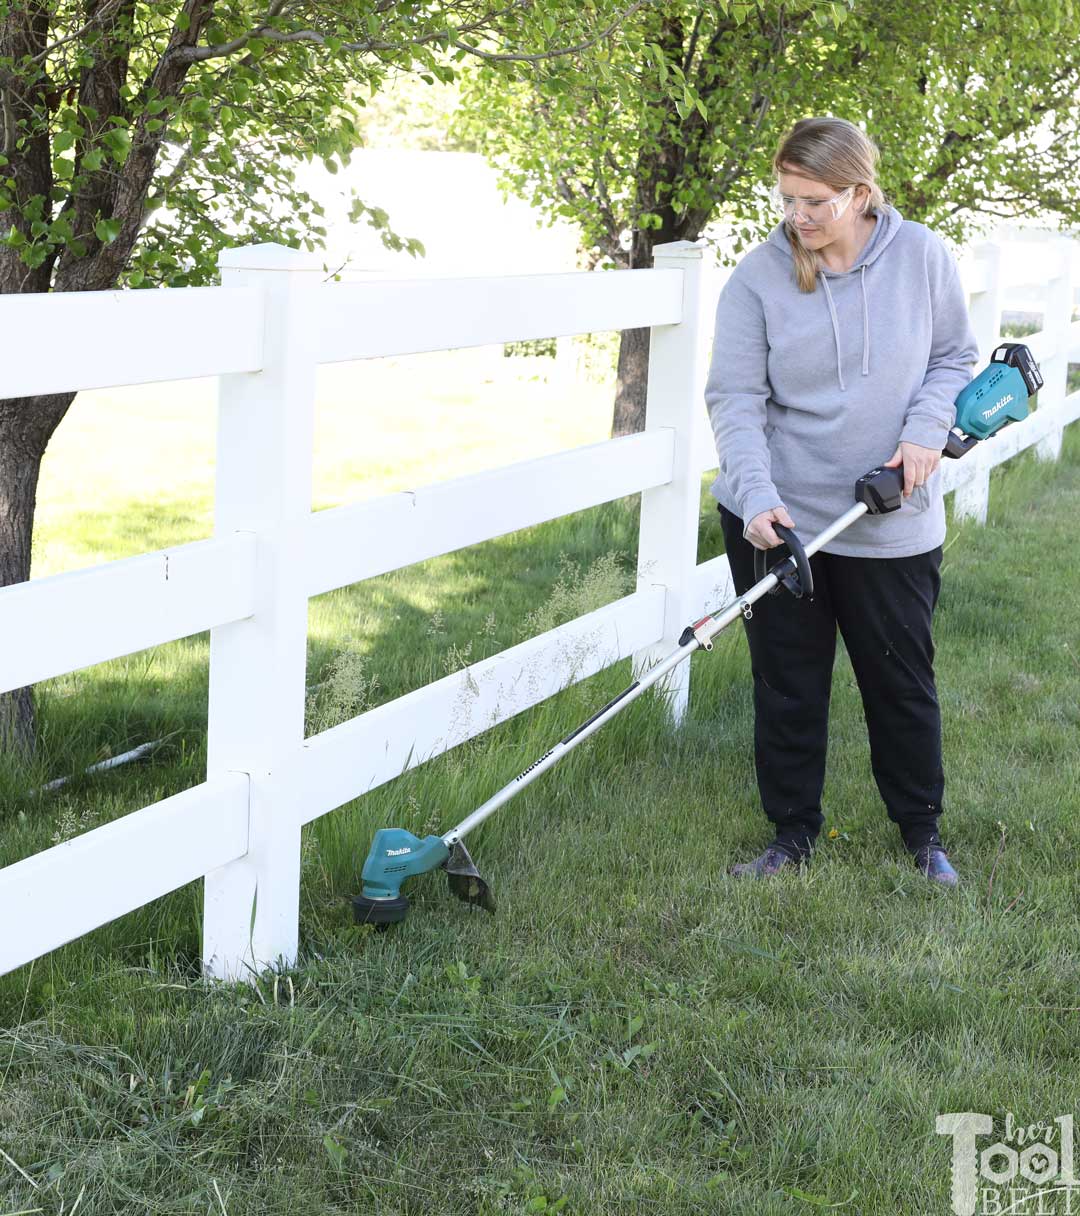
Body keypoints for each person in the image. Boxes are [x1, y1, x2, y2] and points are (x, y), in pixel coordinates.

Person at [704, 116, 979, 886]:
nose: (797, 216)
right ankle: (792, 834)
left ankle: (922, 834)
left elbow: (955, 355)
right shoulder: (759, 277)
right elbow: (734, 397)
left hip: (890, 515)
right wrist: (756, 498)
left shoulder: (921, 256)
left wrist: (927, 432)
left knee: (900, 679)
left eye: (815, 200)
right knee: (788, 683)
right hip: (783, 517)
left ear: (861, 192)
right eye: (788, 198)